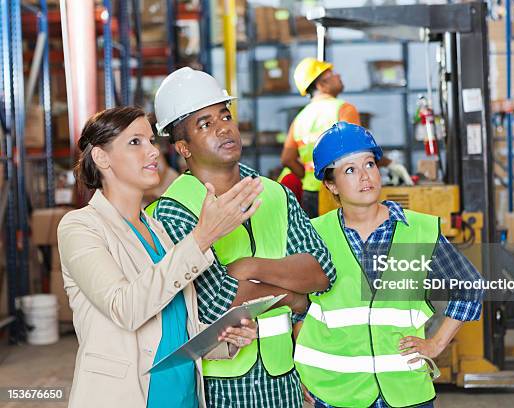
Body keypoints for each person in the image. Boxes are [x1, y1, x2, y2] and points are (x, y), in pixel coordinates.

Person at [146, 67, 336, 408]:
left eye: (225, 116)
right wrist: (292, 298)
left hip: (283, 379)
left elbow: (321, 273)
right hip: (220, 386)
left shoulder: (275, 193)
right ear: (183, 147)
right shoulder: (172, 211)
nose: (223, 128)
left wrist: (246, 266)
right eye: (204, 124)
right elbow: (216, 301)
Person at [57, 106, 261, 408]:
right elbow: (125, 307)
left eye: (151, 141)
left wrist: (223, 338)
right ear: (101, 158)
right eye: (135, 142)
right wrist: (202, 237)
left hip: (184, 397)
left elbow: (173, 324)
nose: (153, 152)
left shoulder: (158, 230)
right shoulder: (80, 227)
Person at [294, 122, 484, 408]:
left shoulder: (417, 231)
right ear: (331, 184)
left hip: (405, 391)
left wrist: (436, 344)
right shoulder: (314, 236)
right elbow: (298, 308)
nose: (364, 176)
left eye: (369, 164)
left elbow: (470, 287)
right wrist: (303, 370)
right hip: (336, 393)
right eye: (349, 170)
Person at [281, 57, 411, 218]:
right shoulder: (343, 109)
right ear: (321, 85)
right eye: (332, 74)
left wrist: (311, 176)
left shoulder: (300, 117)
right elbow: (359, 149)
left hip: (310, 193)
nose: (339, 76)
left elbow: (287, 158)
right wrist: (390, 164)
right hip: (338, 191)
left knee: (318, 239)